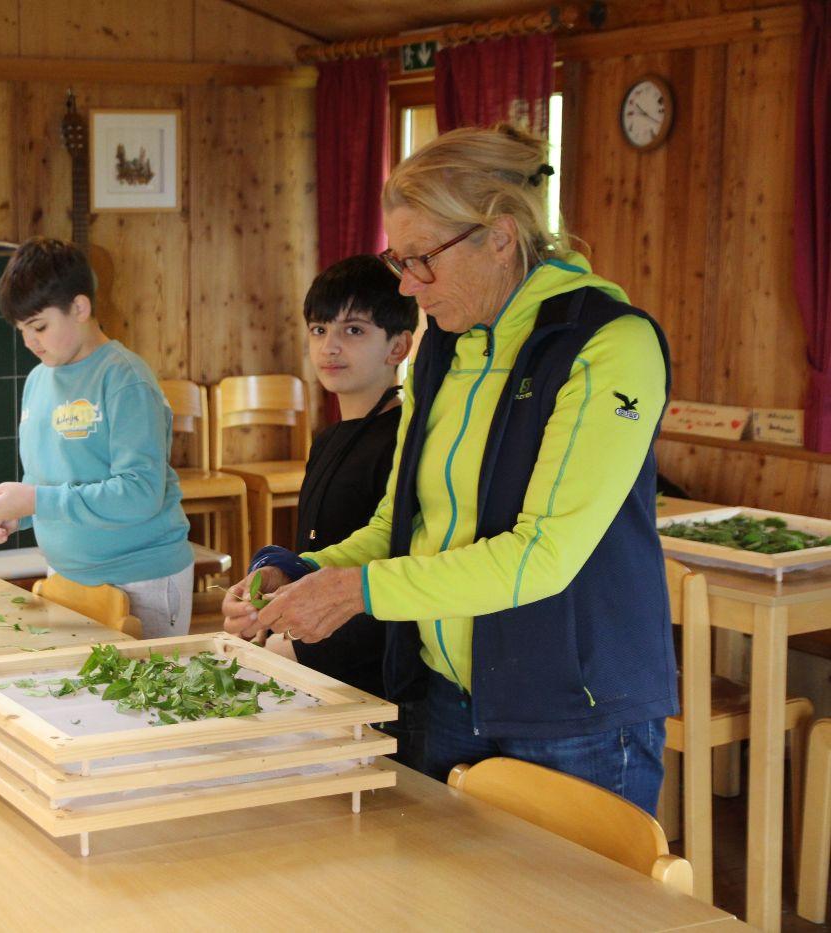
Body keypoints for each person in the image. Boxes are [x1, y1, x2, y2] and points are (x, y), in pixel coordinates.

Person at [224, 123, 676, 815]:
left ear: (499, 237)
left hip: (570, 714)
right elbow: (400, 523)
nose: (408, 284)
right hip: (443, 695)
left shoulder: (609, 344)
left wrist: (357, 592)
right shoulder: (444, 346)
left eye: (422, 259)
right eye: (398, 260)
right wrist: (301, 574)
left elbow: (542, 557)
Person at [0, 237, 193, 638]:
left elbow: (140, 493)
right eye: (21, 330)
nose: (29, 342)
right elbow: (47, 480)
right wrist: (16, 513)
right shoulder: (38, 380)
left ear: (80, 308)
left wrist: (36, 500)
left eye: (39, 326)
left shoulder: (125, 379)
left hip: (141, 579)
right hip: (66, 576)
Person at [257, 254, 427, 769]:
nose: (330, 346)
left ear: (398, 346)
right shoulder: (328, 438)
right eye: (319, 329)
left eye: (353, 330)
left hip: (372, 684)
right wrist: (270, 596)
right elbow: (318, 553)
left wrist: (299, 650)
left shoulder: (405, 442)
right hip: (312, 660)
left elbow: (395, 576)